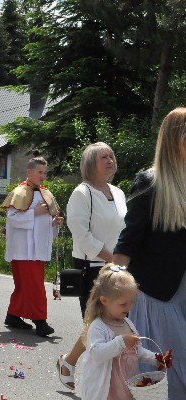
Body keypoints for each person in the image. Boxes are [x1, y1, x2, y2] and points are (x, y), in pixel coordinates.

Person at [113, 107, 186, 399]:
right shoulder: (150, 182)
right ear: (176, 139)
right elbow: (129, 240)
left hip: (181, 288)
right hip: (158, 293)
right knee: (168, 362)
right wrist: (111, 292)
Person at [57, 143, 127, 390]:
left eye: (111, 156)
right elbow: (81, 234)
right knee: (99, 324)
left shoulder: (118, 192)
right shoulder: (82, 193)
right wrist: (111, 258)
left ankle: (71, 361)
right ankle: (83, 370)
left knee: (113, 322)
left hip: (117, 266)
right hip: (93, 265)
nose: (110, 160)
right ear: (90, 164)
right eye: (103, 157)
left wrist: (121, 260)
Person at [80, 264, 168, 400]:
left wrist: (156, 358)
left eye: (132, 302)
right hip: (107, 389)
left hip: (127, 386)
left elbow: (137, 351)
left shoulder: (128, 323)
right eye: (123, 304)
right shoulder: (98, 326)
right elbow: (96, 354)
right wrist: (120, 342)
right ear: (104, 300)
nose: (129, 307)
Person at [2, 157, 64, 337]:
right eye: (40, 172)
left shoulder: (46, 193)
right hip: (24, 249)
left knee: (24, 286)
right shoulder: (19, 192)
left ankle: (13, 316)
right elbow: (12, 218)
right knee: (34, 286)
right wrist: (33, 212)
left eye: (45, 173)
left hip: (37, 248)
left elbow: (46, 220)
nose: (43, 176)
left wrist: (55, 222)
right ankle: (40, 321)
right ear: (29, 172)